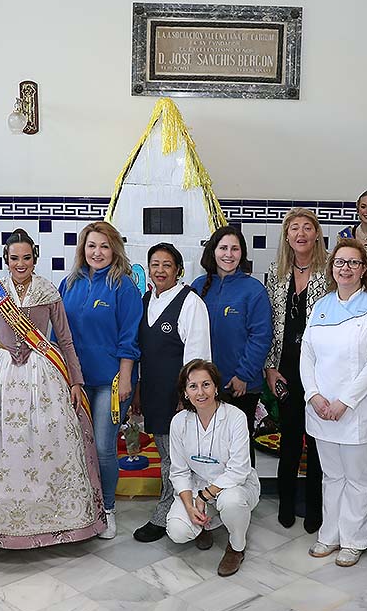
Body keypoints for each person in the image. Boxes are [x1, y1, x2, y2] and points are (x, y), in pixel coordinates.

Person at [0, 229, 106, 547]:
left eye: (26, 257)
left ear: (35, 258)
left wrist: (75, 380)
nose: (20, 263)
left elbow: (65, 339)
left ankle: (50, 519)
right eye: (14, 258)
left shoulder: (48, 291)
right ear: (7, 259)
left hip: (42, 374)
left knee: (44, 441)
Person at [301, 239, 367, 568]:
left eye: (353, 263)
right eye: (340, 262)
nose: (346, 268)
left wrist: (345, 401)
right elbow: (307, 354)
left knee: (359, 478)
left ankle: (354, 541)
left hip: (361, 411)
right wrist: (313, 394)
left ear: (364, 270)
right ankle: (329, 535)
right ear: (331, 268)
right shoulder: (321, 306)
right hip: (322, 410)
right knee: (332, 477)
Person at [59, 221, 143, 540]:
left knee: (105, 448)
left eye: (104, 246)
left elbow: (130, 337)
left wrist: (125, 378)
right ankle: (82, 505)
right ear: (83, 249)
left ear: (114, 250)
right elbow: (59, 332)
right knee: (77, 445)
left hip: (109, 382)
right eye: (92, 246)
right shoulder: (69, 283)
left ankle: (107, 508)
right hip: (75, 381)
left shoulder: (124, 286)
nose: (97, 252)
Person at [133, 243, 211, 543]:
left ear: (178, 270)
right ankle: (188, 514)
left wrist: (187, 398)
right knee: (167, 456)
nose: (160, 270)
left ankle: (171, 516)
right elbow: (141, 352)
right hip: (153, 393)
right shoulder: (145, 300)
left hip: (179, 399)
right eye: (155, 264)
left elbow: (198, 359)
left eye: (167, 265)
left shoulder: (191, 303)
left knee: (178, 460)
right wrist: (138, 389)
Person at [264, 207, 329, 532]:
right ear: (287, 236)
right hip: (285, 369)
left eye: (307, 227)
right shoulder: (275, 273)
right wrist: (270, 369)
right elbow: (266, 326)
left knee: (317, 442)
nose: (301, 233)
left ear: (316, 234)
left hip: (319, 371)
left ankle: (315, 507)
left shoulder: (330, 271)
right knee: (290, 440)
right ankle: (287, 504)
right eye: (294, 228)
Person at [165, 359, 261, 577]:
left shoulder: (235, 417)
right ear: (185, 392)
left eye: (206, 384)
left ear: (216, 387)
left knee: (232, 502)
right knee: (178, 532)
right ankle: (204, 525)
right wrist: (190, 506)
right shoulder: (179, 422)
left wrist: (204, 497)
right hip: (198, 484)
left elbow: (238, 470)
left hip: (235, 485)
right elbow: (179, 471)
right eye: (193, 386)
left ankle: (236, 547)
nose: (201, 392)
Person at [191, 225, 272, 434]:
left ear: (242, 253)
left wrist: (243, 375)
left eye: (235, 249)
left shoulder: (254, 290)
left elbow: (261, 337)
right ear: (213, 251)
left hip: (241, 385)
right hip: (205, 385)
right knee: (208, 444)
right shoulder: (198, 286)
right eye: (223, 248)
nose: (228, 254)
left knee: (240, 447)